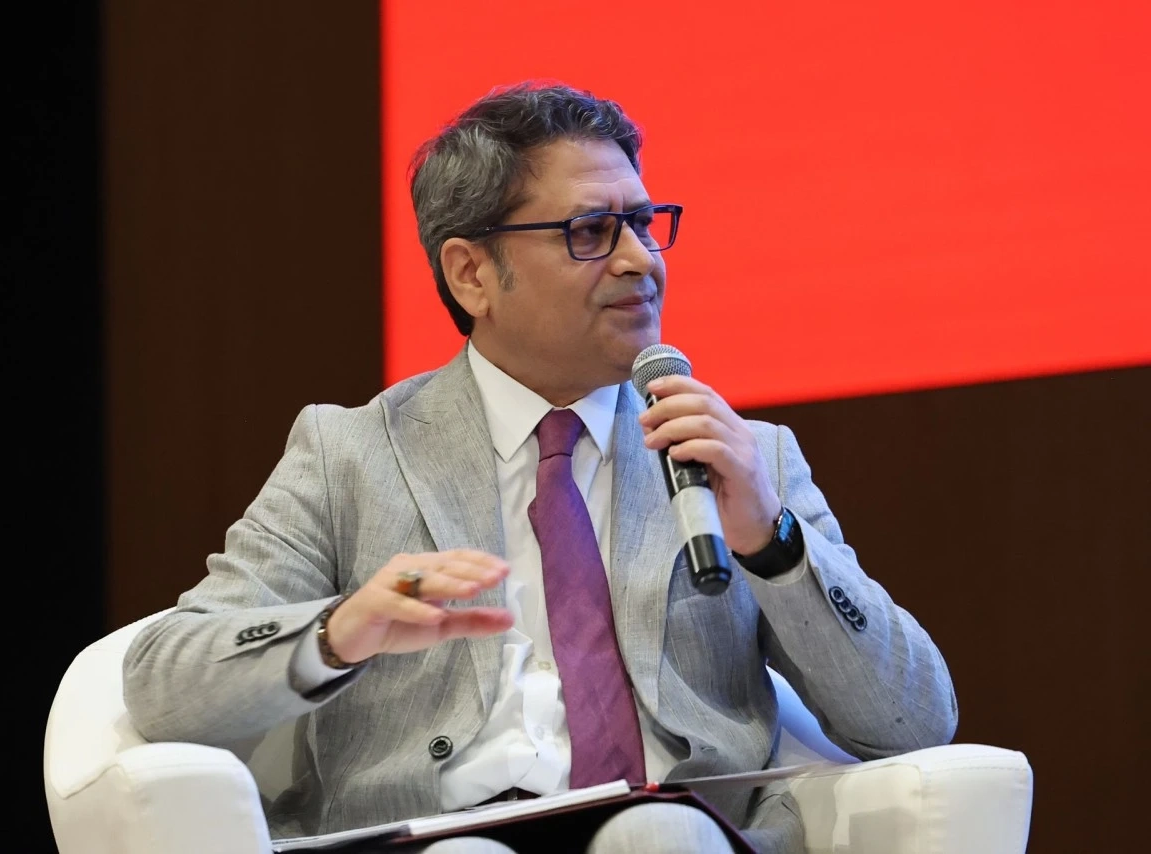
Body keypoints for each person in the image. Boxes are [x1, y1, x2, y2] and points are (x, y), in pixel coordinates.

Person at [122, 82, 957, 854]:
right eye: (591, 232)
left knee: (662, 838)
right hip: (440, 835)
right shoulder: (349, 456)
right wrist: (340, 632)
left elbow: (912, 721)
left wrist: (773, 543)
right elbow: (165, 680)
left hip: (674, 828)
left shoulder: (742, 457)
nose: (640, 260)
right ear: (472, 274)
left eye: (643, 223)